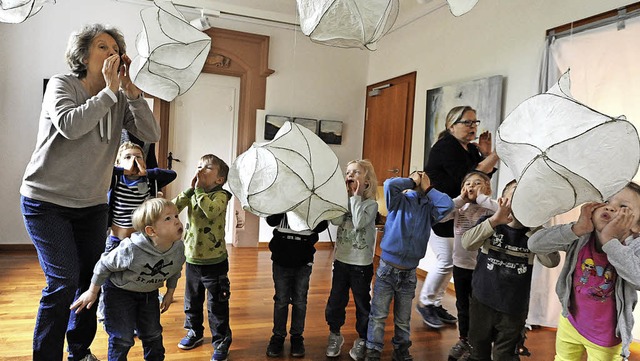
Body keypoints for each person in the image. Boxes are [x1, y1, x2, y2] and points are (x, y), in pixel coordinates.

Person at [19, 24, 160, 361]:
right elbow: (70, 126)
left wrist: (131, 90)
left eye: (115, 48)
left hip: (93, 206)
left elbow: (150, 132)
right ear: (83, 55)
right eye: (102, 46)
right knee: (63, 280)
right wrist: (111, 91)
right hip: (45, 201)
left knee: (89, 280)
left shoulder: (120, 97)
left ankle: (79, 351)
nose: (111, 52)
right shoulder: (62, 84)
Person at [528, 183, 640, 360]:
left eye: (623, 207)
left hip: (606, 337)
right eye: (605, 200)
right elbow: (535, 244)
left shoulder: (634, 246)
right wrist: (576, 228)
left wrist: (610, 241)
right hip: (570, 321)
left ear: (636, 227)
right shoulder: (581, 235)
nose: (610, 206)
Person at [70, 198, 185, 360]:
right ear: (151, 231)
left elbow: (175, 270)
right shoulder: (131, 249)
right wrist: (92, 292)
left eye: (176, 216)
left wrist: (170, 293)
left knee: (153, 334)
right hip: (119, 293)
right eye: (168, 218)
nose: (176, 222)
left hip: (149, 292)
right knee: (122, 338)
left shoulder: (178, 249)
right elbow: (104, 265)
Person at [418, 105, 499, 329]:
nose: (473, 127)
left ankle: (433, 303)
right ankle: (426, 303)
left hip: (459, 211)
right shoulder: (445, 147)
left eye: (475, 122)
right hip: (440, 210)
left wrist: (484, 153)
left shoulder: (470, 149)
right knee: (446, 260)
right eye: (467, 122)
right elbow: (471, 176)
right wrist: (494, 155)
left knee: (450, 261)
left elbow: (483, 176)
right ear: (451, 125)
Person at [461, 180, 560, 361]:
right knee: (477, 350)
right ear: (502, 201)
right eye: (516, 193)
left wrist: (535, 228)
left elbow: (552, 261)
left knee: (505, 354)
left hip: (514, 307)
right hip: (482, 300)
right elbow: (467, 243)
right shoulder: (489, 224)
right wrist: (494, 221)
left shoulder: (535, 234)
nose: (521, 199)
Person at [365, 171, 454, 361]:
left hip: (410, 273)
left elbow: (448, 205)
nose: (420, 177)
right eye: (416, 175)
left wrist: (428, 188)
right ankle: (373, 349)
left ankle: (401, 350)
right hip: (387, 269)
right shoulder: (398, 200)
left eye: (423, 177)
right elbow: (389, 184)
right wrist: (411, 182)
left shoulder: (430, 208)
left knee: (403, 319)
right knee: (379, 314)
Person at [96, 141, 176, 320]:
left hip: (141, 243)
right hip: (116, 240)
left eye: (138, 157)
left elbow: (172, 174)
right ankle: (105, 307)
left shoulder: (149, 179)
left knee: (139, 275)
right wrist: (121, 170)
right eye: (128, 157)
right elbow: (101, 170)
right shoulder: (115, 178)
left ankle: (139, 311)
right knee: (109, 276)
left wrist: (146, 172)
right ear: (118, 163)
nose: (134, 160)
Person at [173, 154, 233, 361]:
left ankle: (221, 340)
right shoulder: (193, 193)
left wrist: (198, 191)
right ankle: (194, 331)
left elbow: (210, 211)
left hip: (215, 262)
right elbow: (173, 208)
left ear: (219, 179)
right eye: (198, 166)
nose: (200, 170)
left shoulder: (221, 196)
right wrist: (190, 190)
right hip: (192, 260)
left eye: (207, 168)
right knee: (192, 300)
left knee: (217, 303)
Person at [440, 171, 499, 360]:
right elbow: (441, 216)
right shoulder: (460, 207)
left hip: (482, 268)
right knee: (463, 305)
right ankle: (464, 339)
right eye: (468, 183)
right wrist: (459, 199)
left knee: (480, 308)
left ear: (487, 188)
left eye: (477, 183)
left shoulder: (490, 207)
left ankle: (478, 344)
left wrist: (482, 198)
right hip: (460, 265)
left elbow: (503, 211)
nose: (472, 186)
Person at [324, 160, 379, 360]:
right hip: (341, 261)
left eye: (356, 172)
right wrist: (340, 199)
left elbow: (358, 223)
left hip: (360, 265)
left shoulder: (370, 205)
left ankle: (363, 338)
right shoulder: (345, 201)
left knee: (362, 302)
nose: (351, 174)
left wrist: (355, 197)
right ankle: (334, 334)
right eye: (348, 172)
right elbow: (336, 220)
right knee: (336, 300)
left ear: (367, 181)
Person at [265, 213, 329, 358]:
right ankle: (278, 336)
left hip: (303, 256)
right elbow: (271, 220)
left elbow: (322, 225)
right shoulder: (281, 195)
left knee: (300, 300)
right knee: (281, 300)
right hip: (281, 256)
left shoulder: (312, 197)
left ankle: (297, 337)